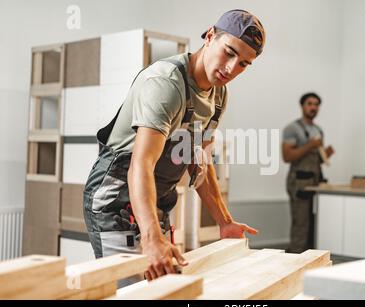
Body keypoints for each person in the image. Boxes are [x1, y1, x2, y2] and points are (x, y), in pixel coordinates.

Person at [83, 9, 266, 285]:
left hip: (154, 201)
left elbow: (201, 161)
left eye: (243, 64)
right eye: (229, 53)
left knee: (163, 285)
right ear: (210, 36)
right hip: (116, 197)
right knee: (135, 290)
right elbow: (141, 164)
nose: (231, 69)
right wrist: (152, 238)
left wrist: (224, 221)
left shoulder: (218, 96)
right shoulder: (166, 83)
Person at [282, 92, 334, 253]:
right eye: (310, 104)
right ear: (302, 106)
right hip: (299, 182)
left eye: (316, 104)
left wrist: (326, 154)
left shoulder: (318, 130)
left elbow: (315, 160)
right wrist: (310, 146)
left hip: (315, 181)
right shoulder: (292, 129)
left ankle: (311, 259)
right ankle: (294, 258)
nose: (313, 107)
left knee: (315, 224)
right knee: (301, 224)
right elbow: (287, 156)